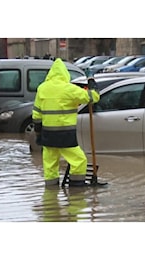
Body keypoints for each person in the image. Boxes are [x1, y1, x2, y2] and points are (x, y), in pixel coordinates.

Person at [32, 58, 100, 187]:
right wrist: (91, 80)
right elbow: (94, 97)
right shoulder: (69, 89)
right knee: (79, 161)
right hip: (65, 134)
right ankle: (76, 191)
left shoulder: (42, 88)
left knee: (50, 165)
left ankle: (50, 196)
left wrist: (38, 133)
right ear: (65, 74)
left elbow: (36, 114)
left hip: (48, 134)